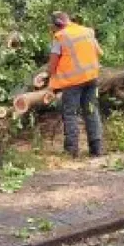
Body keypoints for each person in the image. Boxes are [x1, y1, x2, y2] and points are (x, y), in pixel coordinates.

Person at [47, 11, 104, 157]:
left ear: (57, 24)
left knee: (70, 113)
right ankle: (96, 149)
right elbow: (100, 52)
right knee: (91, 110)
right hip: (91, 78)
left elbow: (53, 65)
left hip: (72, 82)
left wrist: (48, 76)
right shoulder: (87, 31)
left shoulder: (60, 36)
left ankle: (71, 150)